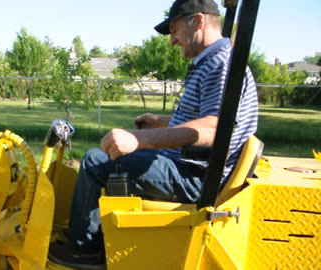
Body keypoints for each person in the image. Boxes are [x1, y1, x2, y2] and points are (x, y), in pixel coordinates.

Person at [48, 0, 258, 269]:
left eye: (174, 30)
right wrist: (159, 122)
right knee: (107, 157)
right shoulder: (214, 61)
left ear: (199, 21)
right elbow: (203, 119)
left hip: (196, 177)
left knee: (94, 162)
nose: (172, 40)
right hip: (193, 166)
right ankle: (85, 231)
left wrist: (139, 140)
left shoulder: (220, 65)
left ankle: (84, 250)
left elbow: (216, 130)